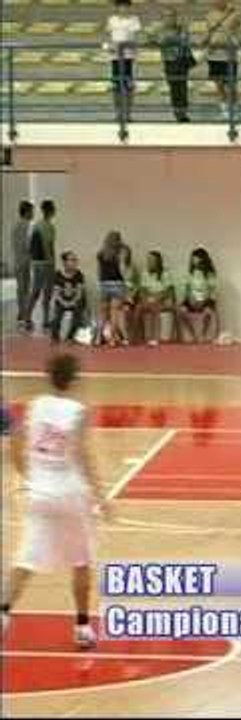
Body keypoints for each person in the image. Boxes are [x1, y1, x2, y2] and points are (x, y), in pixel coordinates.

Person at [1, 353, 111, 648]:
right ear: (74, 378)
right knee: (81, 561)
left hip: (39, 493)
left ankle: (3, 612)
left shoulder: (35, 407)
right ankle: (82, 628)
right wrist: (102, 496)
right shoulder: (77, 410)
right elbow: (83, 456)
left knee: (26, 557)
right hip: (70, 494)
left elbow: (15, 441)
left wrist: (27, 476)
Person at [202, 0, 241, 119]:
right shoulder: (209, 15)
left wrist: (240, 43)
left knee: (231, 84)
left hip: (229, 54)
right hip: (214, 54)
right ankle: (223, 109)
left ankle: (234, 109)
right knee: (219, 84)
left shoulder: (235, 14)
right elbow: (208, 33)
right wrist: (206, 42)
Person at [152, 8, 194, 122]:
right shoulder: (159, 30)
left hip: (182, 60)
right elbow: (159, 42)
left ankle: (183, 112)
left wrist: (169, 40)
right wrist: (171, 40)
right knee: (174, 88)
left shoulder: (182, 29)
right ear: (163, 18)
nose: (170, 18)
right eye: (167, 16)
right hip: (169, 61)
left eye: (172, 16)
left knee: (182, 87)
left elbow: (184, 41)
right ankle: (177, 112)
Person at [104, 0, 142, 123]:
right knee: (116, 86)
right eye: (121, 6)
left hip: (128, 57)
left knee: (128, 86)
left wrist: (126, 45)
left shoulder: (134, 20)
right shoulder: (112, 20)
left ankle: (128, 113)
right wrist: (108, 46)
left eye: (126, 6)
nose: (124, 9)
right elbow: (107, 37)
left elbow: (137, 39)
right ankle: (118, 113)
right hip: (115, 57)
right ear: (117, 7)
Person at [26, 199, 57, 333]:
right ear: (51, 211)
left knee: (36, 289)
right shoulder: (49, 226)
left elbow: (30, 245)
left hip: (36, 262)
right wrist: (51, 261)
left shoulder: (36, 225)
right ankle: (45, 320)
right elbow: (47, 245)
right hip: (46, 262)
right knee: (47, 291)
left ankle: (27, 317)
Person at [178, 247, 219, 343]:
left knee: (207, 311)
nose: (193, 260)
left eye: (195, 258)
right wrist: (190, 299)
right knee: (181, 311)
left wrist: (201, 300)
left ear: (202, 259)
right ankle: (193, 334)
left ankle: (203, 334)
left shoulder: (210, 274)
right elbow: (187, 289)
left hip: (206, 299)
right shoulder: (190, 273)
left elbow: (210, 290)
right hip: (192, 299)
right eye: (192, 258)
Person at [96, 231, 128, 347]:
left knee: (102, 313)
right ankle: (112, 339)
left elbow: (99, 271)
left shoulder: (100, 253)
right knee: (114, 312)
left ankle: (98, 338)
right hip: (117, 283)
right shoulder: (120, 252)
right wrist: (125, 284)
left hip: (104, 283)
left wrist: (100, 282)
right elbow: (122, 268)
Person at [139, 251, 177, 347]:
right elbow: (143, 290)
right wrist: (147, 298)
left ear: (157, 262)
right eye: (148, 260)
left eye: (151, 260)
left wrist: (158, 297)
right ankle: (134, 337)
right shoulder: (144, 273)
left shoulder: (165, 273)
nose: (149, 262)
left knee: (156, 308)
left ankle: (155, 337)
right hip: (149, 299)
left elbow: (169, 291)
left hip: (162, 300)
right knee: (137, 308)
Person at [50, 252, 88, 345]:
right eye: (72, 260)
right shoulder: (58, 275)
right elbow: (56, 293)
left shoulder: (79, 275)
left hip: (75, 301)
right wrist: (64, 302)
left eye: (75, 260)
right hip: (62, 300)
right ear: (65, 262)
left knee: (77, 315)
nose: (75, 262)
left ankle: (70, 337)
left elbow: (79, 293)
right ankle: (55, 337)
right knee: (56, 317)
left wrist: (72, 302)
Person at [12, 200, 34, 333]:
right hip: (25, 261)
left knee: (20, 289)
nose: (33, 214)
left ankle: (21, 314)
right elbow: (28, 245)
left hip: (17, 260)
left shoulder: (15, 226)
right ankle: (25, 316)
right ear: (26, 212)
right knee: (25, 289)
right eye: (31, 211)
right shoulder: (28, 226)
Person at [119, 243, 141, 343]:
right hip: (118, 295)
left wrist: (131, 295)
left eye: (125, 253)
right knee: (116, 309)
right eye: (121, 253)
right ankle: (123, 336)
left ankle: (127, 336)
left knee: (125, 309)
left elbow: (137, 284)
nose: (123, 255)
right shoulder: (114, 267)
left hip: (130, 295)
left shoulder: (133, 267)